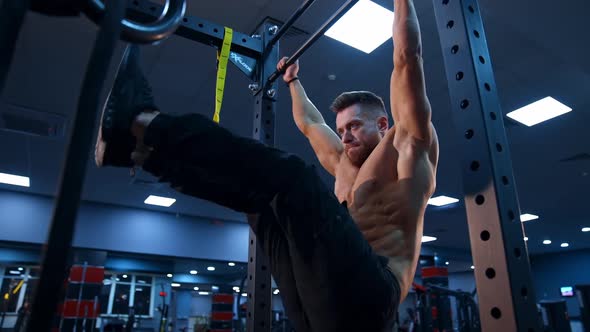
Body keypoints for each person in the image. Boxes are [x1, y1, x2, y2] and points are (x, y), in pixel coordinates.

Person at [94, 0, 438, 330]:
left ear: (382, 124)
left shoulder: (406, 148)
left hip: (373, 295)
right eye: (342, 129)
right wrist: (292, 82)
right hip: (320, 309)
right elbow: (311, 124)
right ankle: (139, 153)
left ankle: (144, 121)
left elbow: (407, 59)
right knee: (261, 202)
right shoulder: (345, 167)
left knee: (294, 176)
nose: (344, 136)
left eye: (354, 127)